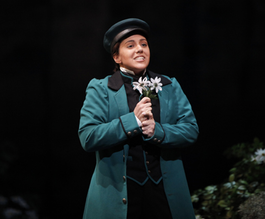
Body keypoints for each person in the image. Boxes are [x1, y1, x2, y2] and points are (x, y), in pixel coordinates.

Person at [78, 18, 199, 219]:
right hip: (119, 194)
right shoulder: (101, 89)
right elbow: (88, 137)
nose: (140, 49)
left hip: (163, 192)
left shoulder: (168, 85)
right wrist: (131, 122)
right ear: (116, 57)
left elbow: (190, 129)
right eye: (130, 45)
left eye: (144, 44)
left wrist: (157, 131)